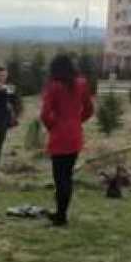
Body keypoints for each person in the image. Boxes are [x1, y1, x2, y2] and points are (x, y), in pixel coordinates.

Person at [40, 54, 94, 226]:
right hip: (75, 134)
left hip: (59, 136)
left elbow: (44, 114)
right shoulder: (81, 83)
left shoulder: (53, 86)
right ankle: (61, 213)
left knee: (59, 177)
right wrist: (77, 122)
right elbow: (89, 109)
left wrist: (52, 127)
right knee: (67, 176)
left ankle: (60, 216)